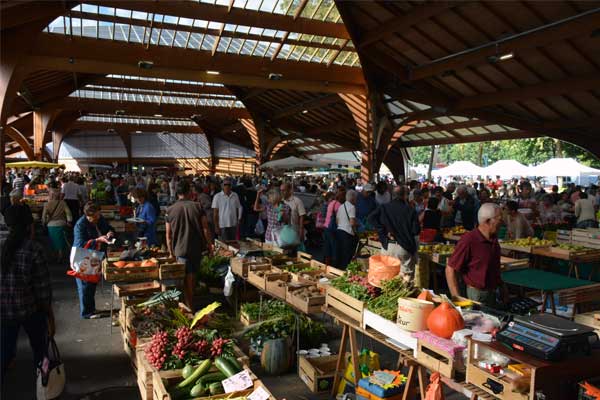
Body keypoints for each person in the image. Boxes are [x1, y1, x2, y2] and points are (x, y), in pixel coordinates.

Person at [1, 205, 55, 378]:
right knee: (40, 351)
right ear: (29, 226)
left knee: (4, 351)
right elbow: (43, 289)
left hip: (3, 312)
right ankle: (45, 385)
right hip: (31, 310)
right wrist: (49, 314)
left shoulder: (3, 247)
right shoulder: (33, 248)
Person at [446, 203, 508, 307]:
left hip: (492, 292)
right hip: (476, 295)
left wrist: (502, 287)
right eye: (499, 219)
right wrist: (456, 298)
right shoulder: (469, 240)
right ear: (488, 221)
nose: (502, 223)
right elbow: (450, 269)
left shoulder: (493, 239)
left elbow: (494, 267)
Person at [166, 181, 213, 308]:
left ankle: (185, 306)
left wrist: (170, 252)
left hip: (179, 250)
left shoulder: (170, 210)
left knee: (183, 280)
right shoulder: (197, 207)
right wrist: (210, 246)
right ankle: (189, 305)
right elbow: (205, 228)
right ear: (189, 192)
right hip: (195, 249)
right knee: (191, 279)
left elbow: (168, 235)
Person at [72, 202, 115, 319]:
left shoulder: (99, 219)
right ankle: (86, 312)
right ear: (87, 215)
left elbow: (108, 227)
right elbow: (80, 244)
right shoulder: (80, 225)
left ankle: (91, 309)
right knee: (84, 285)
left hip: (95, 256)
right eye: (94, 217)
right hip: (83, 258)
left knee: (92, 283)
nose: (97, 218)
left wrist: (110, 232)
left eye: (98, 215)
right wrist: (97, 240)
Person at [368, 186, 420, 280]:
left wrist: (382, 230)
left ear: (392, 195)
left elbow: (371, 218)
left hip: (387, 246)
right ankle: (403, 295)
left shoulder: (384, 207)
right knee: (405, 278)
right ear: (405, 196)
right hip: (403, 247)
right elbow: (415, 231)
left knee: (387, 277)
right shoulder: (410, 210)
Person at [42, 188, 73, 261]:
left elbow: (44, 216)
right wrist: (69, 221)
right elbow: (68, 213)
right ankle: (60, 254)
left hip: (51, 224)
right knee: (61, 239)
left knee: (53, 240)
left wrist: (44, 223)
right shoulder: (63, 203)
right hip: (62, 223)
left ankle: (54, 255)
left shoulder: (46, 204)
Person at [335, 190, 358, 268]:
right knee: (347, 254)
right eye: (356, 198)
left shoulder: (341, 206)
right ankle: (344, 270)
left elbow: (337, 220)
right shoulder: (352, 207)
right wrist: (355, 230)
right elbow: (352, 223)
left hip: (339, 231)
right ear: (353, 198)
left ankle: (338, 269)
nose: (356, 200)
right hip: (347, 233)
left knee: (340, 252)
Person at [324, 189, 345, 265]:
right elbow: (339, 218)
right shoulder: (338, 204)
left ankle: (327, 264)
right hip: (332, 229)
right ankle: (334, 265)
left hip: (326, 227)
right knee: (334, 247)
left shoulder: (331, 203)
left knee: (327, 247)